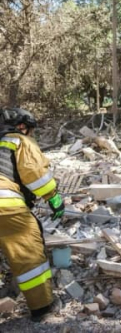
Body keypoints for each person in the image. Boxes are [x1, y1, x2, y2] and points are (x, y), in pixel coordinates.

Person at [0, 107, 64, 321]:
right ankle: (42, 307)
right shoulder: (17, 140)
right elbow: (36, 175)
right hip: (5, 206)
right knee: (29, 255)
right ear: (21, 126)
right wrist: (53, 198)